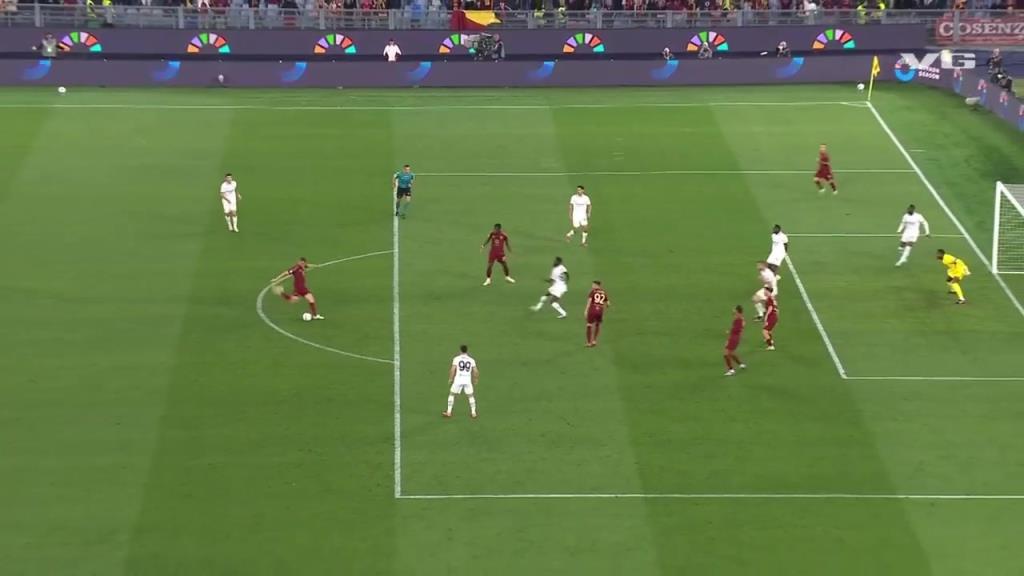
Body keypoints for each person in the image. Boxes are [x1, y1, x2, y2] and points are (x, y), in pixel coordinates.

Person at [443, 344, 478, 419]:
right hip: (467, 380)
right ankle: (473, 413)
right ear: (467, 351)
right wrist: (475, 379)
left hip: (458, 380)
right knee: (470, 396)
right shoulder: (471, 360)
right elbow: (475, 371)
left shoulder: (456, 359)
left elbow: (452, 370)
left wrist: (450, 378)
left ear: (460, 351)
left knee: (452, 394)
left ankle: (449, 412)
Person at [585, 280, 610, 347]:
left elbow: (589, 301)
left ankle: (589, 343)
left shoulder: (593, 291)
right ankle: (594, 340)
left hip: (593, 309)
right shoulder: (604, 292)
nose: (592, 286)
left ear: (597, 285)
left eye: (593, 285)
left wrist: (586, 310)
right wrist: (605, 307)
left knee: (589, 325)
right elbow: (608, 303)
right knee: (597, 324)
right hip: (600, 310)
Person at [724, 305, 747, 375]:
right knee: (731, 353)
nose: (733, 310)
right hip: (735, 337)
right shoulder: (740, 318)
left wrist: (729, 332)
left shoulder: (739, 319)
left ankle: (731, 370)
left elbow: (736, 329)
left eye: (734, 309)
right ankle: (741, 364)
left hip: (734, 337)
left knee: (726, 354)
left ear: (737, 311)